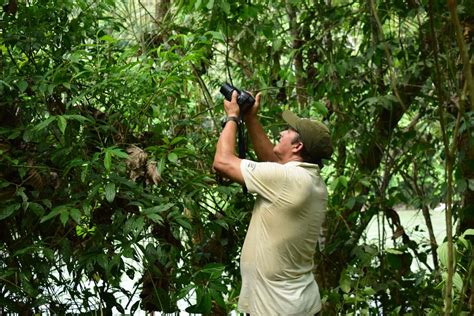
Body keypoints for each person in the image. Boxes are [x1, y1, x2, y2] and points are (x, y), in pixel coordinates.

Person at [213, 90, 332, 316]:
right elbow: (274, 162)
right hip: (295, 304)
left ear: (297, 146)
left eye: (289, 130)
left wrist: (232, 117)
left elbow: (222, 162)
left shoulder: (289, 180)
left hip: (278, 308)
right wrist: (251, 118)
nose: (282, 131)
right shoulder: (308, 180)